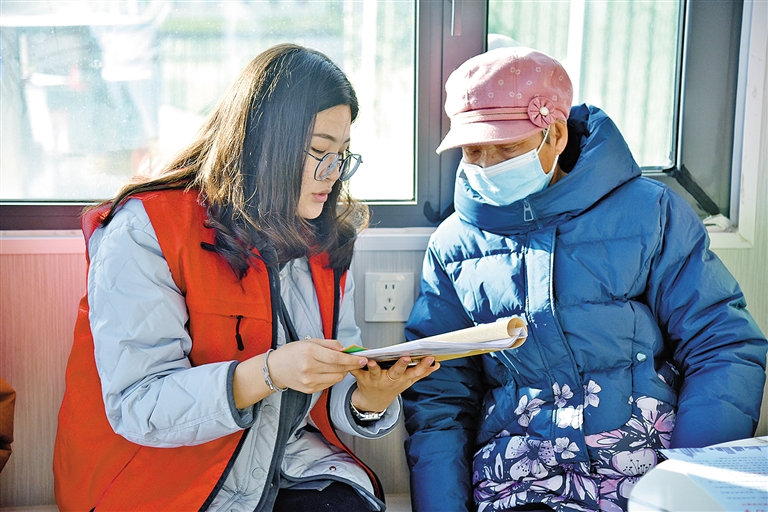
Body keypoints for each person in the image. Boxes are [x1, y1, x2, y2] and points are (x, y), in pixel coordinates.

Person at [53, 43, 439, 512]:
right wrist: (269, 372)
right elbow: (140, 404)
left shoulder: (325, 237)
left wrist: (368, 397)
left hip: (283, 461)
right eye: (320, 151)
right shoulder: (145, 229)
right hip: (161, 479)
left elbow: (338, 371)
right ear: (265, 145)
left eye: (342, 154)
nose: (333, 174)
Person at [402, 46, 767, 512]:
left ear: (554, 134)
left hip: (649, 465)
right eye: (473, 151)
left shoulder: (650, 213)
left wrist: (693, 479)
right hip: (520, 478)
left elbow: (722, 344)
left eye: (507, 149)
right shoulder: (454, 245)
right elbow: (439, 396)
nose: (488, 165)